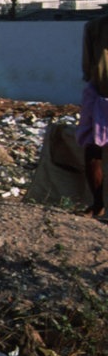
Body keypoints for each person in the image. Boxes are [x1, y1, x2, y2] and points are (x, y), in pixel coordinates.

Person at [80, 14, 108, 218]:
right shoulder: (94, 27)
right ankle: (98, 203)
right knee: (92, 150)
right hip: (99, 94)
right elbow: (88, 66)